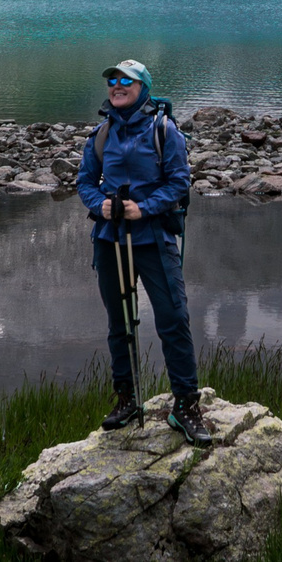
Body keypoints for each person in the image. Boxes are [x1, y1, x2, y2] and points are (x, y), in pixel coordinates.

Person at [76, 58, 214, 445]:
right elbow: (85, 181)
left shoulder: (164, 130)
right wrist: (99, 205)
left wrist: (145, 207)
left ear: (143, 89)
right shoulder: (101, 134)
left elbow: (179, 182)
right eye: (112, 81)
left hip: (154, 238)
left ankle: (185, 405)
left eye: (126, 81)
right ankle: (127, 399)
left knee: (174, 318)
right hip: (110, 238)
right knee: (119, 324)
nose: (116, 86)